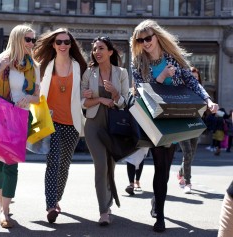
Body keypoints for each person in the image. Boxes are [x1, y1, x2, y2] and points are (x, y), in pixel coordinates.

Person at [130, 19, 218, 232]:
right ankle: (160, 216)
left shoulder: (174, 59)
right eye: (140, 40)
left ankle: (157, 204)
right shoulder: (137, 63)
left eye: (148, 38)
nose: (145, 43)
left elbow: (192, 82)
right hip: (154, 119)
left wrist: (207, 100)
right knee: (160, 164)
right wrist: (160, 77)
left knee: (165, 168)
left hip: (175, 117)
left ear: (157, 37)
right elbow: (141, 90)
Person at [0, 24, 40, 228]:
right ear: (17, 39)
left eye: (33, 40)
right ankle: (2, 204)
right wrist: (0, 70)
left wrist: (27, 98)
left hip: (19, 118)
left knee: (11, 164)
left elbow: (37, 97)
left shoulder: (34, 66)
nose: (31, 43)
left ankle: (5, 211)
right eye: (28, 39)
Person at [33, 28, 87, 224]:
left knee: (64, 165)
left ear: (71, 45)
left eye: (66, 42)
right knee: (53, 163)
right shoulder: (45, 66)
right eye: (59, 42)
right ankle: (50, 205)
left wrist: (86, 97)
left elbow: (82, 94)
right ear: (53, 45)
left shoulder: (80, 66)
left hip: (72, 123)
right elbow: (37, 90)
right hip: (51, 121)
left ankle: (57, 199)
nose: (63, 45)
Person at [81, 36, 129, 226]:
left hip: (115, 125)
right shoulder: (89, 73)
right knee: (101, 166)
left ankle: (108, 202)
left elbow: (125, 101)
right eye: (94, 49)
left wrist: (115, 94)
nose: (97, 52)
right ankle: (103, 211)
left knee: (111, 166)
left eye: (101, 48)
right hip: (93, 123)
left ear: (110, 52)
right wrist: (100, 99)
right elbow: (83, 102)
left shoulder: (122, 73)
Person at [177, 66, 202, 194]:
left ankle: (181, 172)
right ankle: (188, 182)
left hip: (195, 124)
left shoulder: (200, 92)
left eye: (196, 77)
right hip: (182, 125)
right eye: (192, 77)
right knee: (187, 152)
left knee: (191, 154)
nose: (194, 79)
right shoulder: (182, 89)